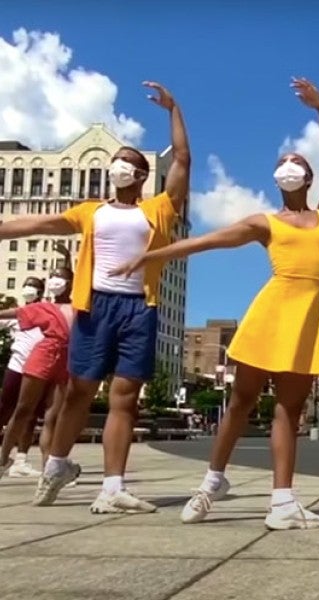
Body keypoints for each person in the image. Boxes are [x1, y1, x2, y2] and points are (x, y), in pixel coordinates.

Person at [112, 78, 319, 530]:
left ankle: (282, 503)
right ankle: (211, 482)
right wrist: (151, 255)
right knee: (240, 403)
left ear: (309, 176)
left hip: (307, 320)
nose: (288, 166)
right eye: (281, 163)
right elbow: (208, 241)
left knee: (289, 410)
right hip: (270, 314)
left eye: (296, 161)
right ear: (275, 180)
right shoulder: (265, 222)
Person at [0, 81, 190, 512]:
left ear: (141, 176)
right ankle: (56, 467)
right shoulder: (91, 211)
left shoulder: (157, 209)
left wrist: (173, 109)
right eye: (115, 163)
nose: (118, 167)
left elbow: (181, 159)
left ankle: (113, 488)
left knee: (124, 397)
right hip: (94, 306)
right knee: (77, 394)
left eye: (126, 163)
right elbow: (37, 225)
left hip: (139, 309)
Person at [0, 264, 75, 479]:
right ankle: (3, 459)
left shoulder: (79, 307)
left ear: (70, 283)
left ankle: (48, 471)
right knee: (23, 409)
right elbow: (15, 312)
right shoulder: (43, 307)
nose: (54, 280)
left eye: (59, 277)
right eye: (52, 276)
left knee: (53, 417)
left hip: (66, 361)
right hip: (42, 357)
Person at [0, 277, 48, 478]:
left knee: (30, 415)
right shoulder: (16, 314)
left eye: (34, 286)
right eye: (26, 285)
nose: (29, 289)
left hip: (38, 370)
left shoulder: (47, 313)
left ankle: (21, 460)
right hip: (16, 368)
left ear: (41, 292)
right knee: (4, 409)